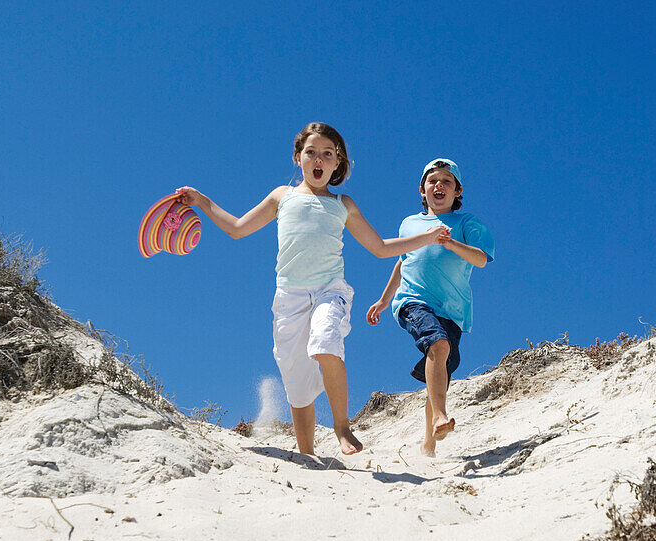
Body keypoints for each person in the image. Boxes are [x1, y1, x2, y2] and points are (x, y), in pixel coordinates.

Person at [175, 123, 451, 456]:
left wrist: (427, 237)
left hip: (328, 290)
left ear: (337, 164)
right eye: (311, 152)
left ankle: (341, 425)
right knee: (297, 381)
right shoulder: (282, 196)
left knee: (326, 342)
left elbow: (379, 247)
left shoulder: (342, 204)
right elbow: (236, 228)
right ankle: (307, 455)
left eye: (327, 154)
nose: (318, 159)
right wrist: (202, 201)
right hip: (288, 298)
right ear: (298, 158)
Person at [366, 158, 495, 456]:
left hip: (453, 310)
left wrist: (452, 244)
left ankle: (428, 444)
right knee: (437, 344)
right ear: (422, 190)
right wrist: (385, 299)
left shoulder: (467, 224)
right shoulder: (409, 224)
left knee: (440, 368)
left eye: (446, 181)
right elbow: (403, 259)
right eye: (432, 181)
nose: (439, 185)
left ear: (458, 190)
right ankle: (440, 416)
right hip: (413, 301)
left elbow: (481, 258)